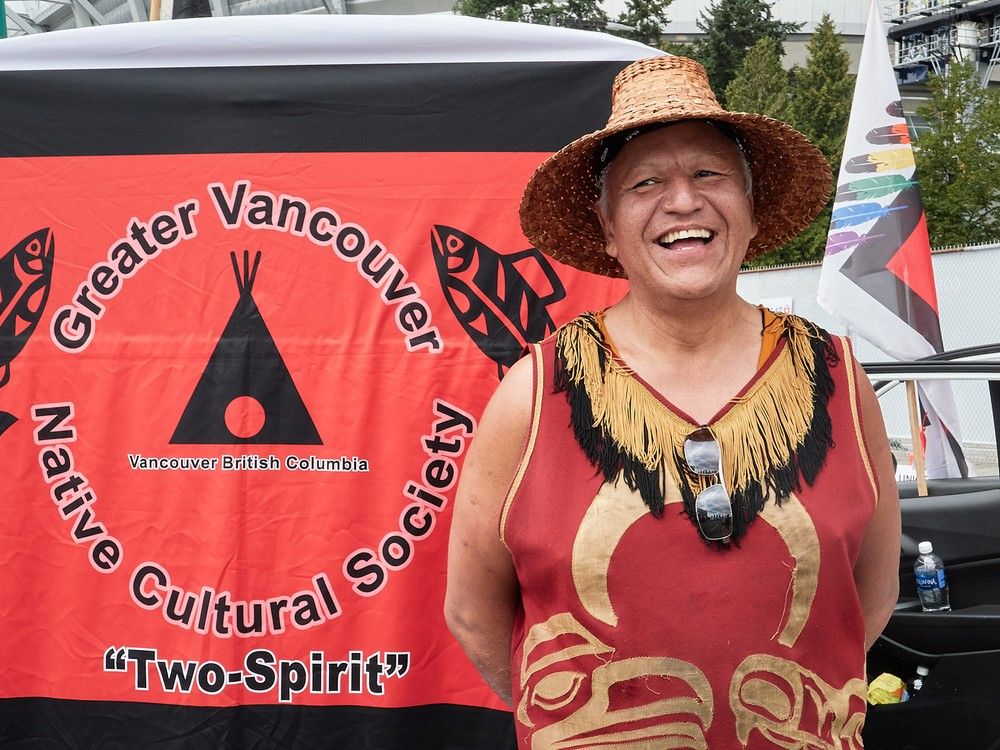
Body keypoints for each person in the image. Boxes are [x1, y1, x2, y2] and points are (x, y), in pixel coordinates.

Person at [445, 55, 900, 749]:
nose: (683, 201)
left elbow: (868, 596)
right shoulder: (536, 392)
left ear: (751, 213)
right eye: (646, 182)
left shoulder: (836, 376)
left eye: (709, 175)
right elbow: (475, 615)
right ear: (606, 231)